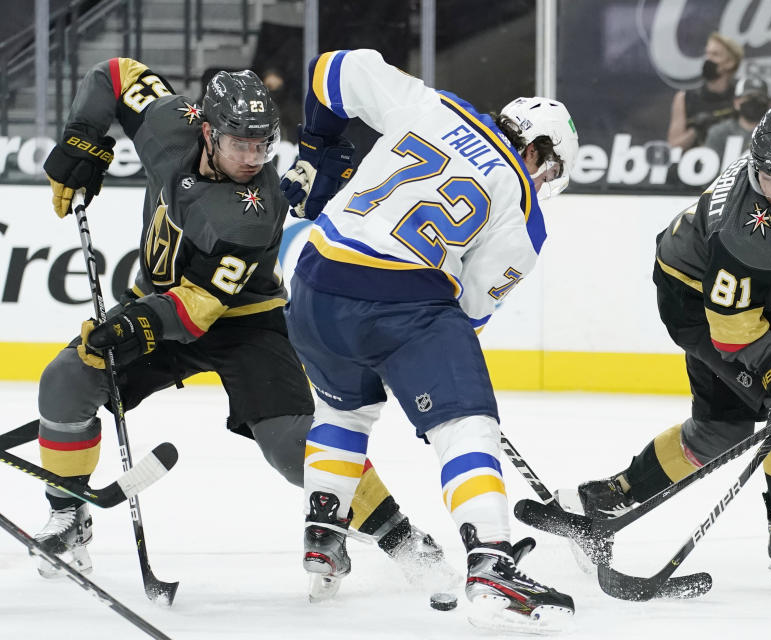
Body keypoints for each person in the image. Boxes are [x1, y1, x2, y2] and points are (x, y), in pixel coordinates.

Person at [31, 57, 456, 593]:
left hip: (245, 322)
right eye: (240, 143)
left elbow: (198, 308)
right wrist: (82, 137)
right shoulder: (170, 124)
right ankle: (70, 514)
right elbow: (115, 75)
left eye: (262, 145)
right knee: (67, 377)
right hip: (159, 302)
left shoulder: (251, 211)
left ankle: (398, 534)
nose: (253, 157)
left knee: (291, 446)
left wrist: (131, 326)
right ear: (206, 131)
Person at [278, 48, 578, 632]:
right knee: (466, 422)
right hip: (400, 299)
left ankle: (323, 537)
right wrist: (444, 385)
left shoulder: (432, 104)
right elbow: (469, 307)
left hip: (314, 280)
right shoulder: (522, 208)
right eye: (549, 168)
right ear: (539, 151)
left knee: (345, 410)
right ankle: (491, 562)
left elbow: (330, 68)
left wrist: (318, 148)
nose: (544, 181)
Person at [570, 106, 771, 588]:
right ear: (752, 165)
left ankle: (605, 497)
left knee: (720, 431)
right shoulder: (744, 232)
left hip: (738, 301)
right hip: (698, 306)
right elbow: (730, 329)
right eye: (766, 176)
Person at [666, 32, 743, 150]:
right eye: (707, 53)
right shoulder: (684, 98)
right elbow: (673, 146)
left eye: (715, 55)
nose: (708, 59)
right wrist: (696, 130)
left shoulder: (741, 98)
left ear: (730, 63)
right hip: (693, 164)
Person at [703, 75, 770, 162]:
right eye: (749, 97)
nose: (754, 101)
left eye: (760, 98)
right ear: (736, 103)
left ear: (769, 104)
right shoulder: (719, 133)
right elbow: (708, 169)